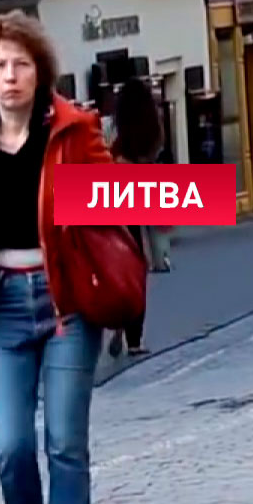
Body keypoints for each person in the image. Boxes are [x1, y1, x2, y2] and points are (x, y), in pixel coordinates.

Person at [0, 11, 113, 504]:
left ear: (41, 72)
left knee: (65, 445)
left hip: (66, 304)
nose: (10, 75)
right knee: (11, 447)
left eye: (21, 64)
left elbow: (116, 204)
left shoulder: (74, 132)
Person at [107, 77, 164, 358]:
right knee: (138, 270)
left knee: (119, 269)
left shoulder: (114, 137)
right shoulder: (149, 135)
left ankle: (118, 320)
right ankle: (134, 338)